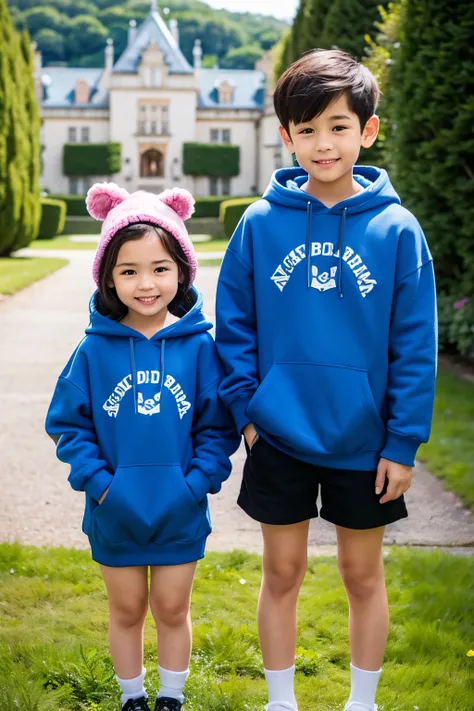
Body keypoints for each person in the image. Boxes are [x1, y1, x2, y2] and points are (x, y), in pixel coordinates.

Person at [215, 49, 437, 711]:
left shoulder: (398, 230)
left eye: (338, 126)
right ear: (285, 136)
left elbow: (414, 346)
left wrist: (402, 442)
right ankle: (280, 700)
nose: (323, 142)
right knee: (280, 571)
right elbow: (235, 328)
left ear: (367, 131)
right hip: (278, 434)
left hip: (365, 444)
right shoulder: (259, 224)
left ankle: (360, 702)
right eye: (306, 129)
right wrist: (248, 417)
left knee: (361, 573)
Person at [46, 183, 239, 711]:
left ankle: (171, 697)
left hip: (180, 507)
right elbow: (68, 425)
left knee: (173, 608)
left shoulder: (200, 346)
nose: (145, 283)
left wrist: (195, 483)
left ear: (181, 272)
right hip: (116, 510)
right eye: (128, 270)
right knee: (127, 608)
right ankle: (132, 697)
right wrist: (102, 486)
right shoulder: (92, 350)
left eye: (159, 268)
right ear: (109, 278)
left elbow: (217, 428)